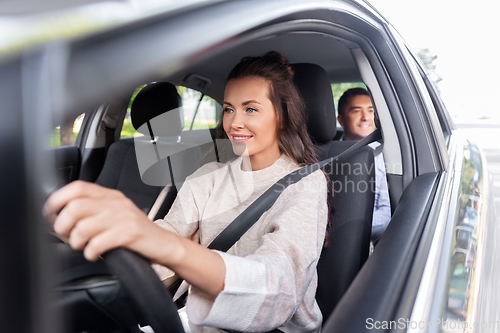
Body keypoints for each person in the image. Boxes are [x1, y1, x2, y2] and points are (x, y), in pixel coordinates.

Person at [44, 51, 329, 333]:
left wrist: (174, 249)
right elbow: (166, 237)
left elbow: (279, 291)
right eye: (229, 109)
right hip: (199, 321)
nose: (234, 123)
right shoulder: (207, 176)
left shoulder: (305, 182)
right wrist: (100, 239)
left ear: (282, 116)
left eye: (250, 109)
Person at [337, 87, 391, 243]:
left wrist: (345, 228)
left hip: (362, 238)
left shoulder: (385, 157)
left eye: (370, 111)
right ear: (340, 120)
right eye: (356, 111)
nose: (365, 117)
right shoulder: (324, 156)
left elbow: (385, 212)